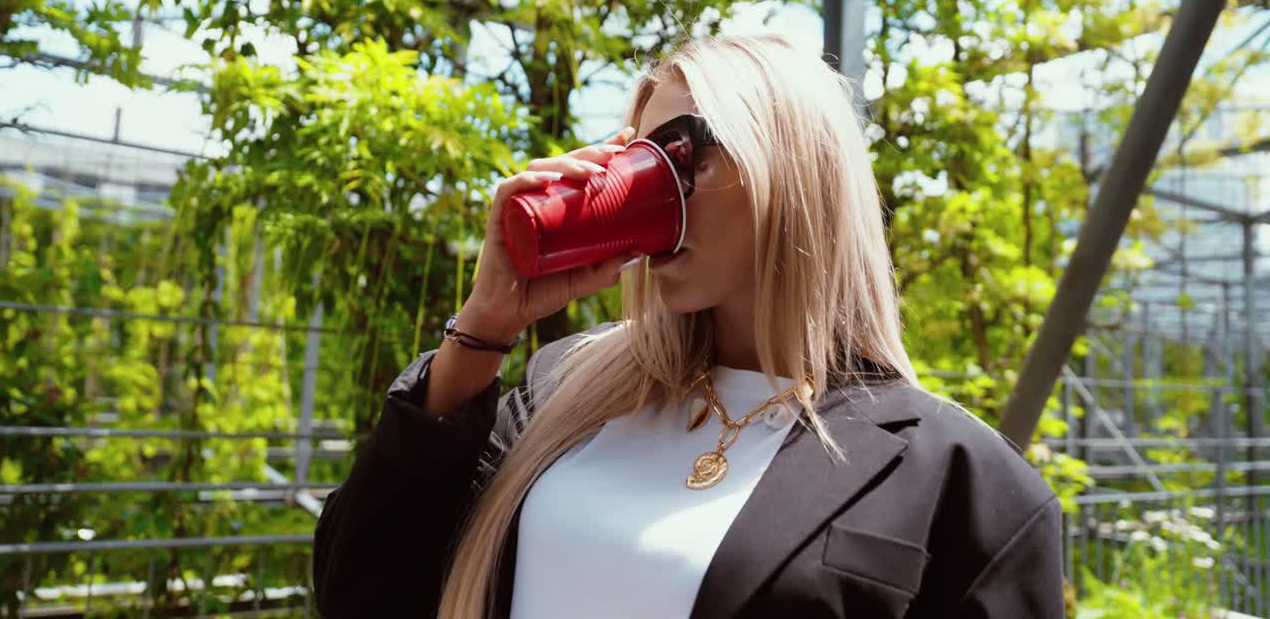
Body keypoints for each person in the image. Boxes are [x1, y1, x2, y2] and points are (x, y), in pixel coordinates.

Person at [312, 34, 1064, 619]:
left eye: (679, 155)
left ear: (794, 169)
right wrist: (481, 332)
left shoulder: (962, 481)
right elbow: (361, 591)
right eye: (638, 160)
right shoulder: (562, 392)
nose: (651, 193)